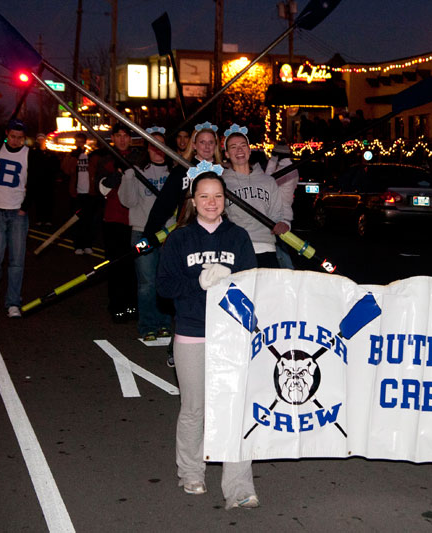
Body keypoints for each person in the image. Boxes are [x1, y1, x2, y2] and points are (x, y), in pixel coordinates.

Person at [156, 165, 260, 509]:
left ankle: (239, 486)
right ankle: (191, 472)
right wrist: (197, 283)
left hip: (230, 335)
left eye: (217, 196)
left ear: (225, 200)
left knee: (235, 410)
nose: (211, 202)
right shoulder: (179, 238)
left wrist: (231, 281)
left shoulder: (238, 238)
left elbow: (254, 285)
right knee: (194, 408)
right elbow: (164, 285)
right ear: (193, 200)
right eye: (204, 196)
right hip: (191, 332)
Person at [0, 119, 43, 318]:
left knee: (16, 261)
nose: (16, 141)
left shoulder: (29, 155)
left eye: (20, 138)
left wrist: (24, 208)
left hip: (16, 213)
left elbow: (35, 183)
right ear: (6, 134)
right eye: (12, 137)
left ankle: (13, 302)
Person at [118, 126, 173, 341]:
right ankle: (148, 325)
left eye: (161, 144)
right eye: (153, 144)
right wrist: (128, 178)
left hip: (168, 235)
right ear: (147, 148)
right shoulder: (138, 172)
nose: (157, 149)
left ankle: (164, 322)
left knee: (165, 280)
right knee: (147, 282)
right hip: (142, 234)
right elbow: (128, 202)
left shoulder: (174, 173)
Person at [221, 124, 291, 268]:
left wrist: (284, 223)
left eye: (242, 145)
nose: (239, 150)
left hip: (267, 248)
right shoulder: (221, 183)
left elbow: (278, 214)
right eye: (233, 147)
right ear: (227, 154)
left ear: (249, 149)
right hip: (237, 249)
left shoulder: (268, 181)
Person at [98, 123, 142, 323]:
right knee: (115, 265)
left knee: (134, 265)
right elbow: (101, 188)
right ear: (113, 138)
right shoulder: (105, 158)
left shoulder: (140, 158)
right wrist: (118, 174)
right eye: (119, 135)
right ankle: (116, 304)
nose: (122, 139)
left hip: (135, 220)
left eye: (126, 135)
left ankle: (133, 304)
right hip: (113, 219)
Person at [61, 131, 99, 255]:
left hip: (89, 193)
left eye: (82, 142)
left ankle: (87, 244)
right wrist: (74, 157)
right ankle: (78, 245)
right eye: (78, 142)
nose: (79, 145)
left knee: (89, 221)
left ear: (85, 143)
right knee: (77, 220)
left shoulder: (90, 156)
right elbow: (66, 170)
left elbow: (96, 170)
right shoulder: (71, 156)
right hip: (77, 193)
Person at [264, 139, 298, 269]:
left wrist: (272, 161)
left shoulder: (284, 170)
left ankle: (289, 274)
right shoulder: (292, 168)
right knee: (281, 249)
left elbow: (267, 182)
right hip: (284, 212)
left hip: (280, 215)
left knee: (282, 251)